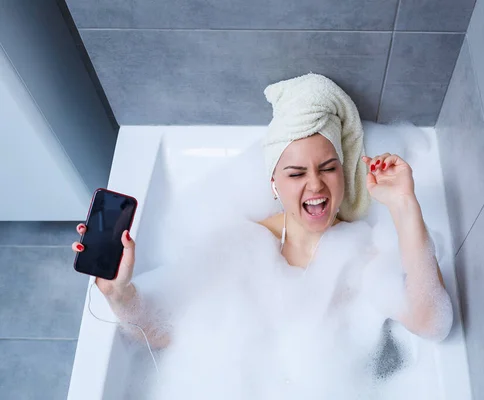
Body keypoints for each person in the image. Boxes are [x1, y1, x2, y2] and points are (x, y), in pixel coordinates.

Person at [72, 74, 452, 391]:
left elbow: (432, 324)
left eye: (328, 168)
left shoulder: (364, 251)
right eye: (296, 173)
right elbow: (160, 332)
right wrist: (120, 294)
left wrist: (403, 204)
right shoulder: (240, 245)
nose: (316, 185)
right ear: (274, 182)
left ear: (343, 171)